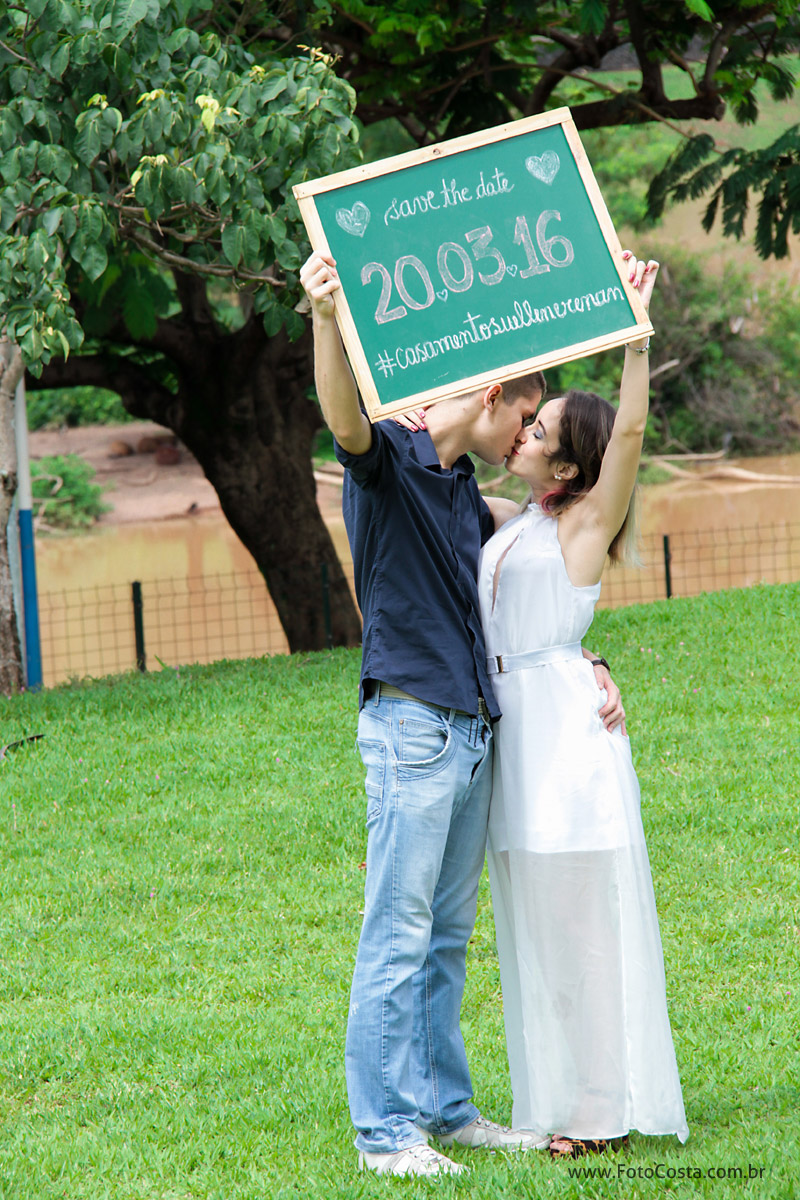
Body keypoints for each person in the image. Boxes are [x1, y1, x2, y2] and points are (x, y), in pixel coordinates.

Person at [300, 249, 625, 1177]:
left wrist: (586, 659)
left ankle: (447, 1111)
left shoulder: (459, 492)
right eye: (526, 414)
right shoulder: (395, 461)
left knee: (442, 936)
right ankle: (385, 1135)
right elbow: (344, 420)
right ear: (490, 398)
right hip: (413, 727)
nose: (530, 433)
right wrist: (326, 318)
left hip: (473, 732)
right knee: (395, 933)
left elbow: (527, 594)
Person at [479, 251, 690, 1154]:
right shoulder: (513, 522)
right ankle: (558, 1098)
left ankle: (602, 1113)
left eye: (543, 429)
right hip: (513, 734)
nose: (526, 428)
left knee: (580, 930)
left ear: (569, 466)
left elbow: (633, 438)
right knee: (535, 927)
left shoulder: (583, 525)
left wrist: (636, 340)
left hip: (563, 745)